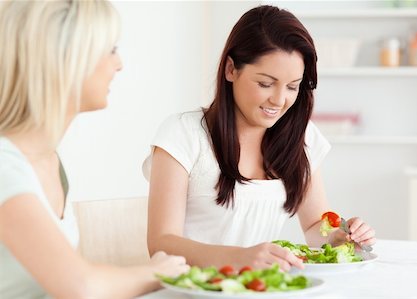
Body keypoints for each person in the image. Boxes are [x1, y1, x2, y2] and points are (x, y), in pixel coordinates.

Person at [143, 5, 376, 272]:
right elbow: (161, 243)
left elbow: (314, 225)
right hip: (194, 287)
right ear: (231, 69)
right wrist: (238, 257)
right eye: (265, 83)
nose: (279, 100)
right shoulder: (183, 135)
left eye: (292, 87)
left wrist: (342, 237)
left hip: (262, 287)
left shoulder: (302, 137)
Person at [0, 1, 189, 298]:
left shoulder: (50, 162)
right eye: (111, 49)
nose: (119, 63)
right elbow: (81, 287)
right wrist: (157, 271)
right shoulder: (5, 165)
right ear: (66, 58)